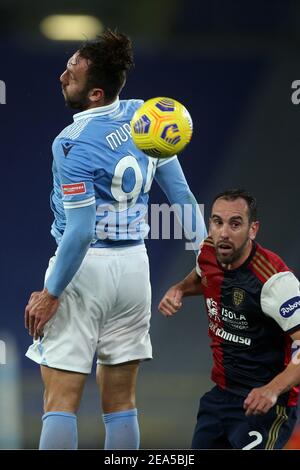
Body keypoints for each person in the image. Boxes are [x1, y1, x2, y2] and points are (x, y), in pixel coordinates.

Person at [24, 29, 206, 450]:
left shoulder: (71, 144)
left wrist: (52, 292)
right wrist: (207, 258)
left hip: (85, 271)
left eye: (71, 74)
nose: (61, 76)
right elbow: (181, 197)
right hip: (134, 272)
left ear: (95, 93)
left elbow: (81, 230)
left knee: (61, 401)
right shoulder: (147, 117)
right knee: (122, 402)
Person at [159, 189, 300, 449]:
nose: (223, 232)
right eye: (217, 222)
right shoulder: (208, 252)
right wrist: (179, 289)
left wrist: (272, 389)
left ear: (253, 229)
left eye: (235, 224)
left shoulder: (274, 280)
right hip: (220, 398)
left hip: (266, 407)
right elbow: (203, 276)